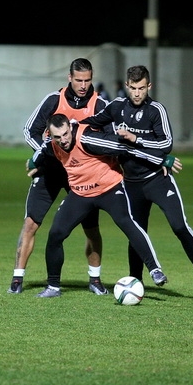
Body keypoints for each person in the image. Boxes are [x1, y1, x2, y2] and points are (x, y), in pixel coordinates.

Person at [82, 65, 193, 299]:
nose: (137, 93)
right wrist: (70, 126)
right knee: (137, 234)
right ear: (127, 86)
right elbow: (90, 123)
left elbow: (166, 144)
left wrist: (135, 138)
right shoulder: (116, 107)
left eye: (141, 88)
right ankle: (135, 283)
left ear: (149, 86)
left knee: (179, 226)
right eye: (133, 88)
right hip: (131, 184)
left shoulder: (156, 110)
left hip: (158, 180)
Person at [30, 113, 181, 297]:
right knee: (56, 234)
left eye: (65, 134)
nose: (63, 140)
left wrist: (160, 158)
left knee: (127, 222)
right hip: (80, 194)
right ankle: (53, 287)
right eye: (57, 137)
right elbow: (41, 153)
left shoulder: (88, 139)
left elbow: (125, 147)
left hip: (109, 189)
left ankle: (154, 269)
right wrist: (34, 163)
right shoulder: (51, 145)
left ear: (70, 128)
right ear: (50, 135)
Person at [7, 58, 109, 295]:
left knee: (91, 228)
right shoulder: (54, 100)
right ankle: (17, 279)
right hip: (51, 171)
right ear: (69, 78)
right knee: (31, 223)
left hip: (82, 175)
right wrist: (46, 155)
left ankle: (94, 279)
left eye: (87, 80)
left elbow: (108, 141)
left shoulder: (100, 105)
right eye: (79, 80)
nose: (83, 85)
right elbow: (29, 131)